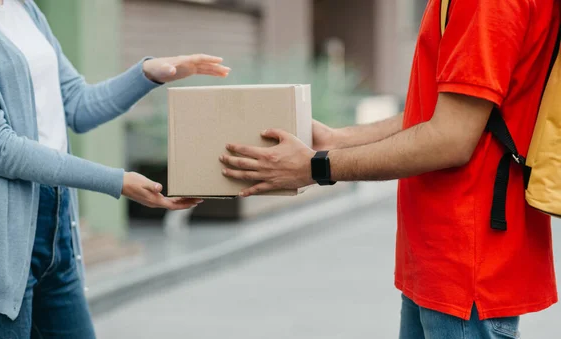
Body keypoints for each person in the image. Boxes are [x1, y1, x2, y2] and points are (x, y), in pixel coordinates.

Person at [220, 0, 559, 338]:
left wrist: (316, 167)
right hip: (445, 260)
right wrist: (338, 140)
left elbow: (451, 138)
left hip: (466, 268)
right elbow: (440, 114)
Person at [0, 0, 230, 338]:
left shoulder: (24, 8)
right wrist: (115, 181)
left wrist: (147, 74)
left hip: (57, 227)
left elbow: (76, 105)